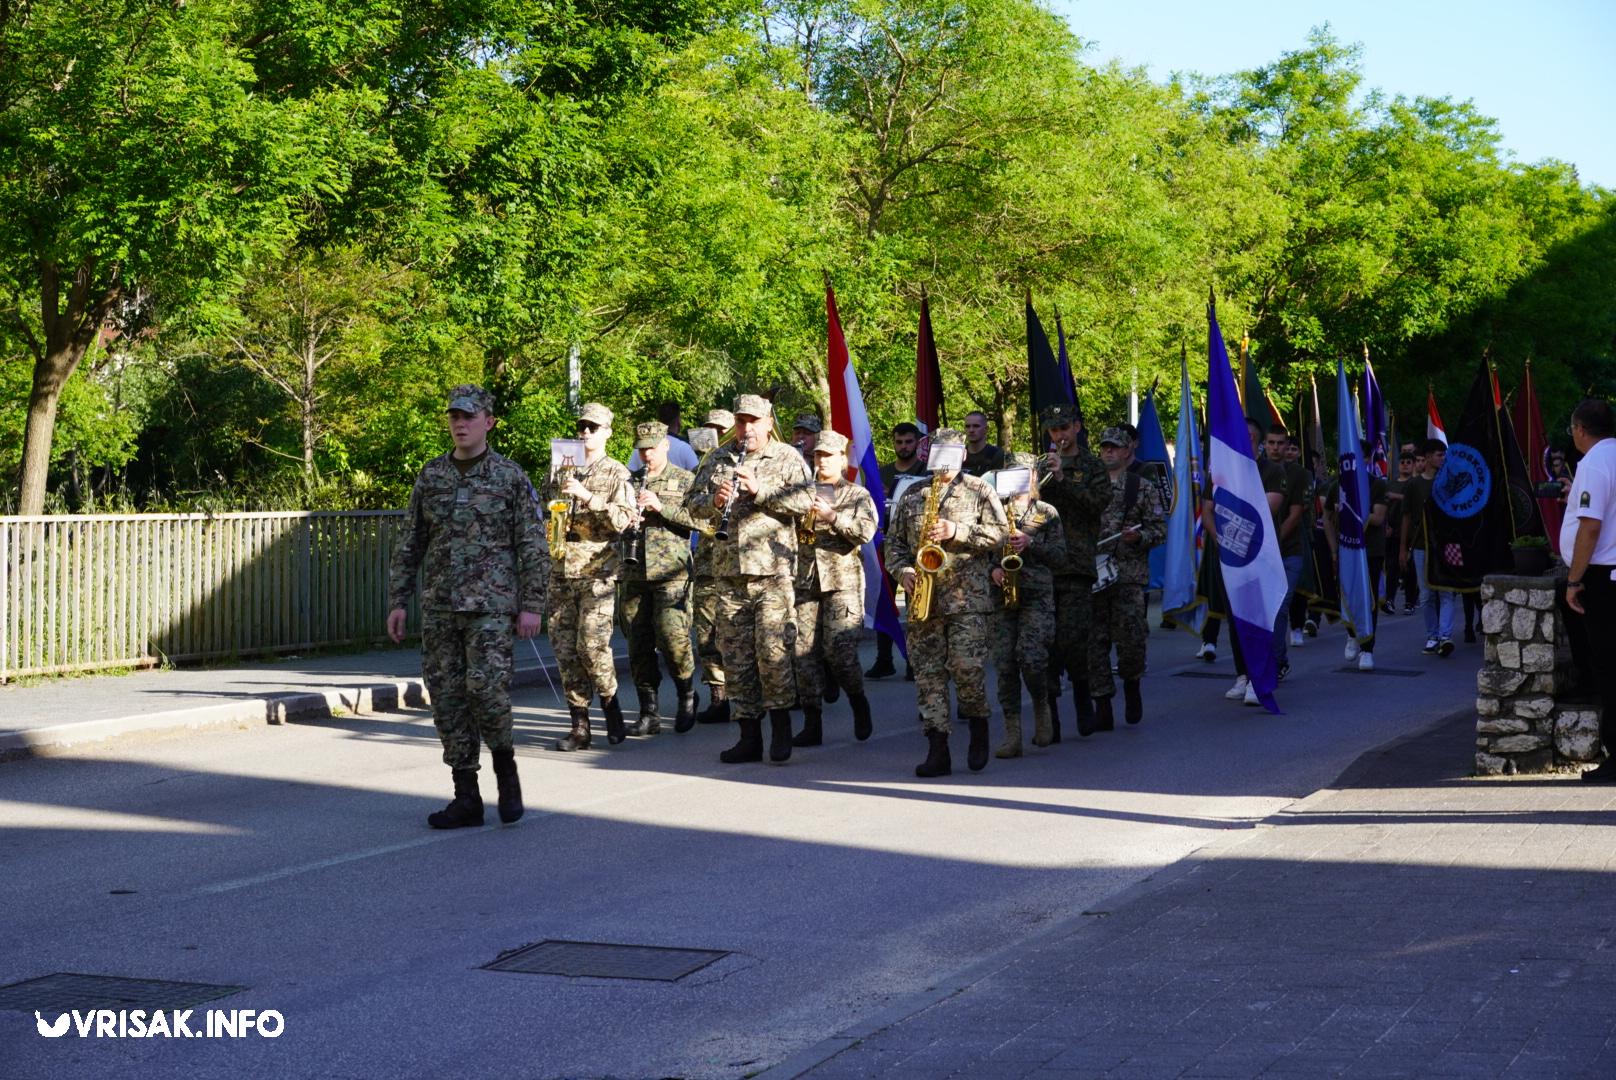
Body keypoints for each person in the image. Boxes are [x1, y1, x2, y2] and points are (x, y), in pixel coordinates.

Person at [386, 385, 547, 829]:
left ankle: (506, 770)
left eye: (469, 417)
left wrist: (532, 604)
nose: (460, 424)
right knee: (447, 699)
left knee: (486, 691)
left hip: (491, 606)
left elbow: (532, 545)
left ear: (488, 422)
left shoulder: (509, 476)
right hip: (440, 606)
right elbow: (411, 542)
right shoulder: (432, 475)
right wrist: (398, 601)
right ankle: (466, 796)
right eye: (455, 417)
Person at [684, 394, 814, 764]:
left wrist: (761, 492)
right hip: (729, 575)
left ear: (769, 422)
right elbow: (691, 504)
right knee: (736, 658)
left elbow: (806, 503)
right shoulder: (718, 458)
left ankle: (781, 728)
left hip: (772, 573)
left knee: (772, 654)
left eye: (754, 421)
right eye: (741, 421)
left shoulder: (787, 457)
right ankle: (749, 736)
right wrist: (714, 501)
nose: (747, 428)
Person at [887, 428, 1008, 776]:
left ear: (963, 456)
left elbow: (1000, 535)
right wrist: (903, 571)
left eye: (951, 453)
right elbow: (893, 544)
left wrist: (958, 531)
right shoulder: (913, 494)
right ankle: (937, 749)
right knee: (928, 677)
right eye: (938, 453)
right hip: (924, 599)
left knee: (967, 669)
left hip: (968, 600)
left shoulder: (980, 490)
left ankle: (978, 724)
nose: (943, 461)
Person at [548, 402, 636, 750]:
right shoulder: (563, 467)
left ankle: (611, 705)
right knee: (565, 648)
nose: (585, 432)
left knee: (592, 646)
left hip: (597, 572)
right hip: (561, 568)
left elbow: (624, 519)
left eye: (593, 427)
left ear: (607, 433)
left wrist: (588, 497)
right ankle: (580, 725)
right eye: (581, 426)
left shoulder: (616, 473)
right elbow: (545, 506)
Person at [790, 430, 878, 746]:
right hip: (805, 581)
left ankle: (857, 700)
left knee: (840, 652)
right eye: (818, 455)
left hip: (842, 583)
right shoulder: (801, 493)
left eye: (828, 455)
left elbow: (865, 533)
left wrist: (832, 517)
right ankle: (812, 722)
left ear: (842, 459)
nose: (822, 461)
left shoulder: (856, 495)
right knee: (803, 654)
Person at [621, 420, 700, 736]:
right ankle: (648, 712)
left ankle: (687, 697)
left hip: (671, 572)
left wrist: (661, 507)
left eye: (652, 448)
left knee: (672, 639)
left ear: (666, 445)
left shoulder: (685, 480)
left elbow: (700, 520)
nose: (646, 455)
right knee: (637, 644)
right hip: (634, 572)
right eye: (641, 449)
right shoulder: (629, 481)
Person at [1039, 402, 1112, 736]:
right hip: (1043, 565)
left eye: (1064, 428)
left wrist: (1062, 479)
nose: (1059, 435)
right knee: (1046, 644)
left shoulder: (1093, 466)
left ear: (1077, 428)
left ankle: (1083, 698)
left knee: (1073, 640)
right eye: (1054, 430)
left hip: (1076, 565)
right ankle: (1050, 716)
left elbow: (1096, 505)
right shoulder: (1038, 465)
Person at [1089, 426, 1167, 728]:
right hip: (1093, 575)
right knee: (1094, 643)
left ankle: (1132, 686)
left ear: (1127, 451)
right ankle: (1102, 703)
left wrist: (1140, 537)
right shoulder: (1089, 485)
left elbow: (1159, 529)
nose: (1108, 451)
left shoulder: (1141, 487)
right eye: (1104, 446)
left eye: (1114, 447)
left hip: (1128, 575)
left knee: (1132, 640)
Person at [988, 452, 1065, 755]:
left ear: (1033, 476)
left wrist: (1032, 543)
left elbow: (1060, 556)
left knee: (1031, 658)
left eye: (1023, 473)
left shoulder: (1046, 512)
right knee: (1005, 664)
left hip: (1036, 596)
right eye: (1011, 473)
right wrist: (992, 570)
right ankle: (1013, 734)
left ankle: (1041, 703)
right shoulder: (993, 509)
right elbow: (980, 551)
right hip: (1003, 596)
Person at [1561, 400, 1616, 782]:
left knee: (1608, 667)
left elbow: (1591, 526)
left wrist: (1574, 579)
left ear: (1580, 429)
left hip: (1603, 577)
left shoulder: (1595, 463)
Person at [1322, 443, 1389, 672]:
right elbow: (1326, 516)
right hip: (1346, 550)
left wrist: (1348, 509)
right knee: (1348, 595)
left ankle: (1367, 648)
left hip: (1371, 551)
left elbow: (1378, 518)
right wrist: (1333, 549)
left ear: (1369, 459)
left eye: (1363, 457)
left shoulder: (1377, 484)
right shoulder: (1337, 484)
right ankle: (1352, 633)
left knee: (1368, 599)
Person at [869, 421, 928, 680]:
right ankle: (884, 659)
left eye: (908, 442)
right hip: (885, 544)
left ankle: (915, 661)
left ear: (917, 443)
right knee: (885, 602)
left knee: (917, 605)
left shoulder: (926, 472)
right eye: (899, 442)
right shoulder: (882, 472)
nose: (903, 447)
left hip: (916, 546)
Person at [691, 408, 734, 725]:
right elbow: (692, 505)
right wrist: (713, 501)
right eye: (709, 429)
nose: (714, 435)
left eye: (720, 429)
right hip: (708, 560)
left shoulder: (749, 461)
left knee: (742, 634)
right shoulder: (705, 465)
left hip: (743, 562)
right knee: (706, 633)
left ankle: (753, 693)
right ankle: (719, 696)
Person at [1401, 438, 1457, 656]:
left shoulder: (1449, 483)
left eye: (1444, 455)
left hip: (1445, 545)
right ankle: (1432, 635)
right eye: (1439, 455)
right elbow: (1406, 517)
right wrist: (1403, 548)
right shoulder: (1414, 485)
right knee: (1426, 595)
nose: (1442, 459)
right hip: (1421, 545)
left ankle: (1445, 636)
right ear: (1428, 457)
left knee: (1447, 591)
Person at [1263, 425, 1309, 676]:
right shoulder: (1256, 469)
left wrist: (1272, 542)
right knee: (1264, 610)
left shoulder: (1299, 474)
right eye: (1271, 442)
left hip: (1289, 551)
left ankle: (1277, 662)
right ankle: (1272, 659)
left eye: (1281, 443)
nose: (1276, 448)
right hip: (1261, 553)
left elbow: (1295, 515)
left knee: (1280, 607)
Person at [1382, 450, 1416, 614]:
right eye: (1402, 462)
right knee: (1392, 567)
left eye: (1409, 462)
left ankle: (1410, 601)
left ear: (1413, 465)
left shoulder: (1415, 484)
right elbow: (1384, 507)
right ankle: (1389, 599)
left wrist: (1396, 496)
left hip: (1411, 533)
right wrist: (1386, 525)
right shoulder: (1390, 484)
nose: (1405, 465)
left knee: (1409, 568)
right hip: (1393, 530)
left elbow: (1415, 503)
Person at [628, 400, 699, 472]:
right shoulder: (684, 447)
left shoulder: (641, 447)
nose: (647, 452)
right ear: (678, 420)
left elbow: (630, 472)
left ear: (659, 420)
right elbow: (697, 474)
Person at [962, 410, 1005, 476]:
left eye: (976, 426)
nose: (971, 430)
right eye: (967, 426)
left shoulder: (996, 454)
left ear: (986, 429)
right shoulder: (959, 454)